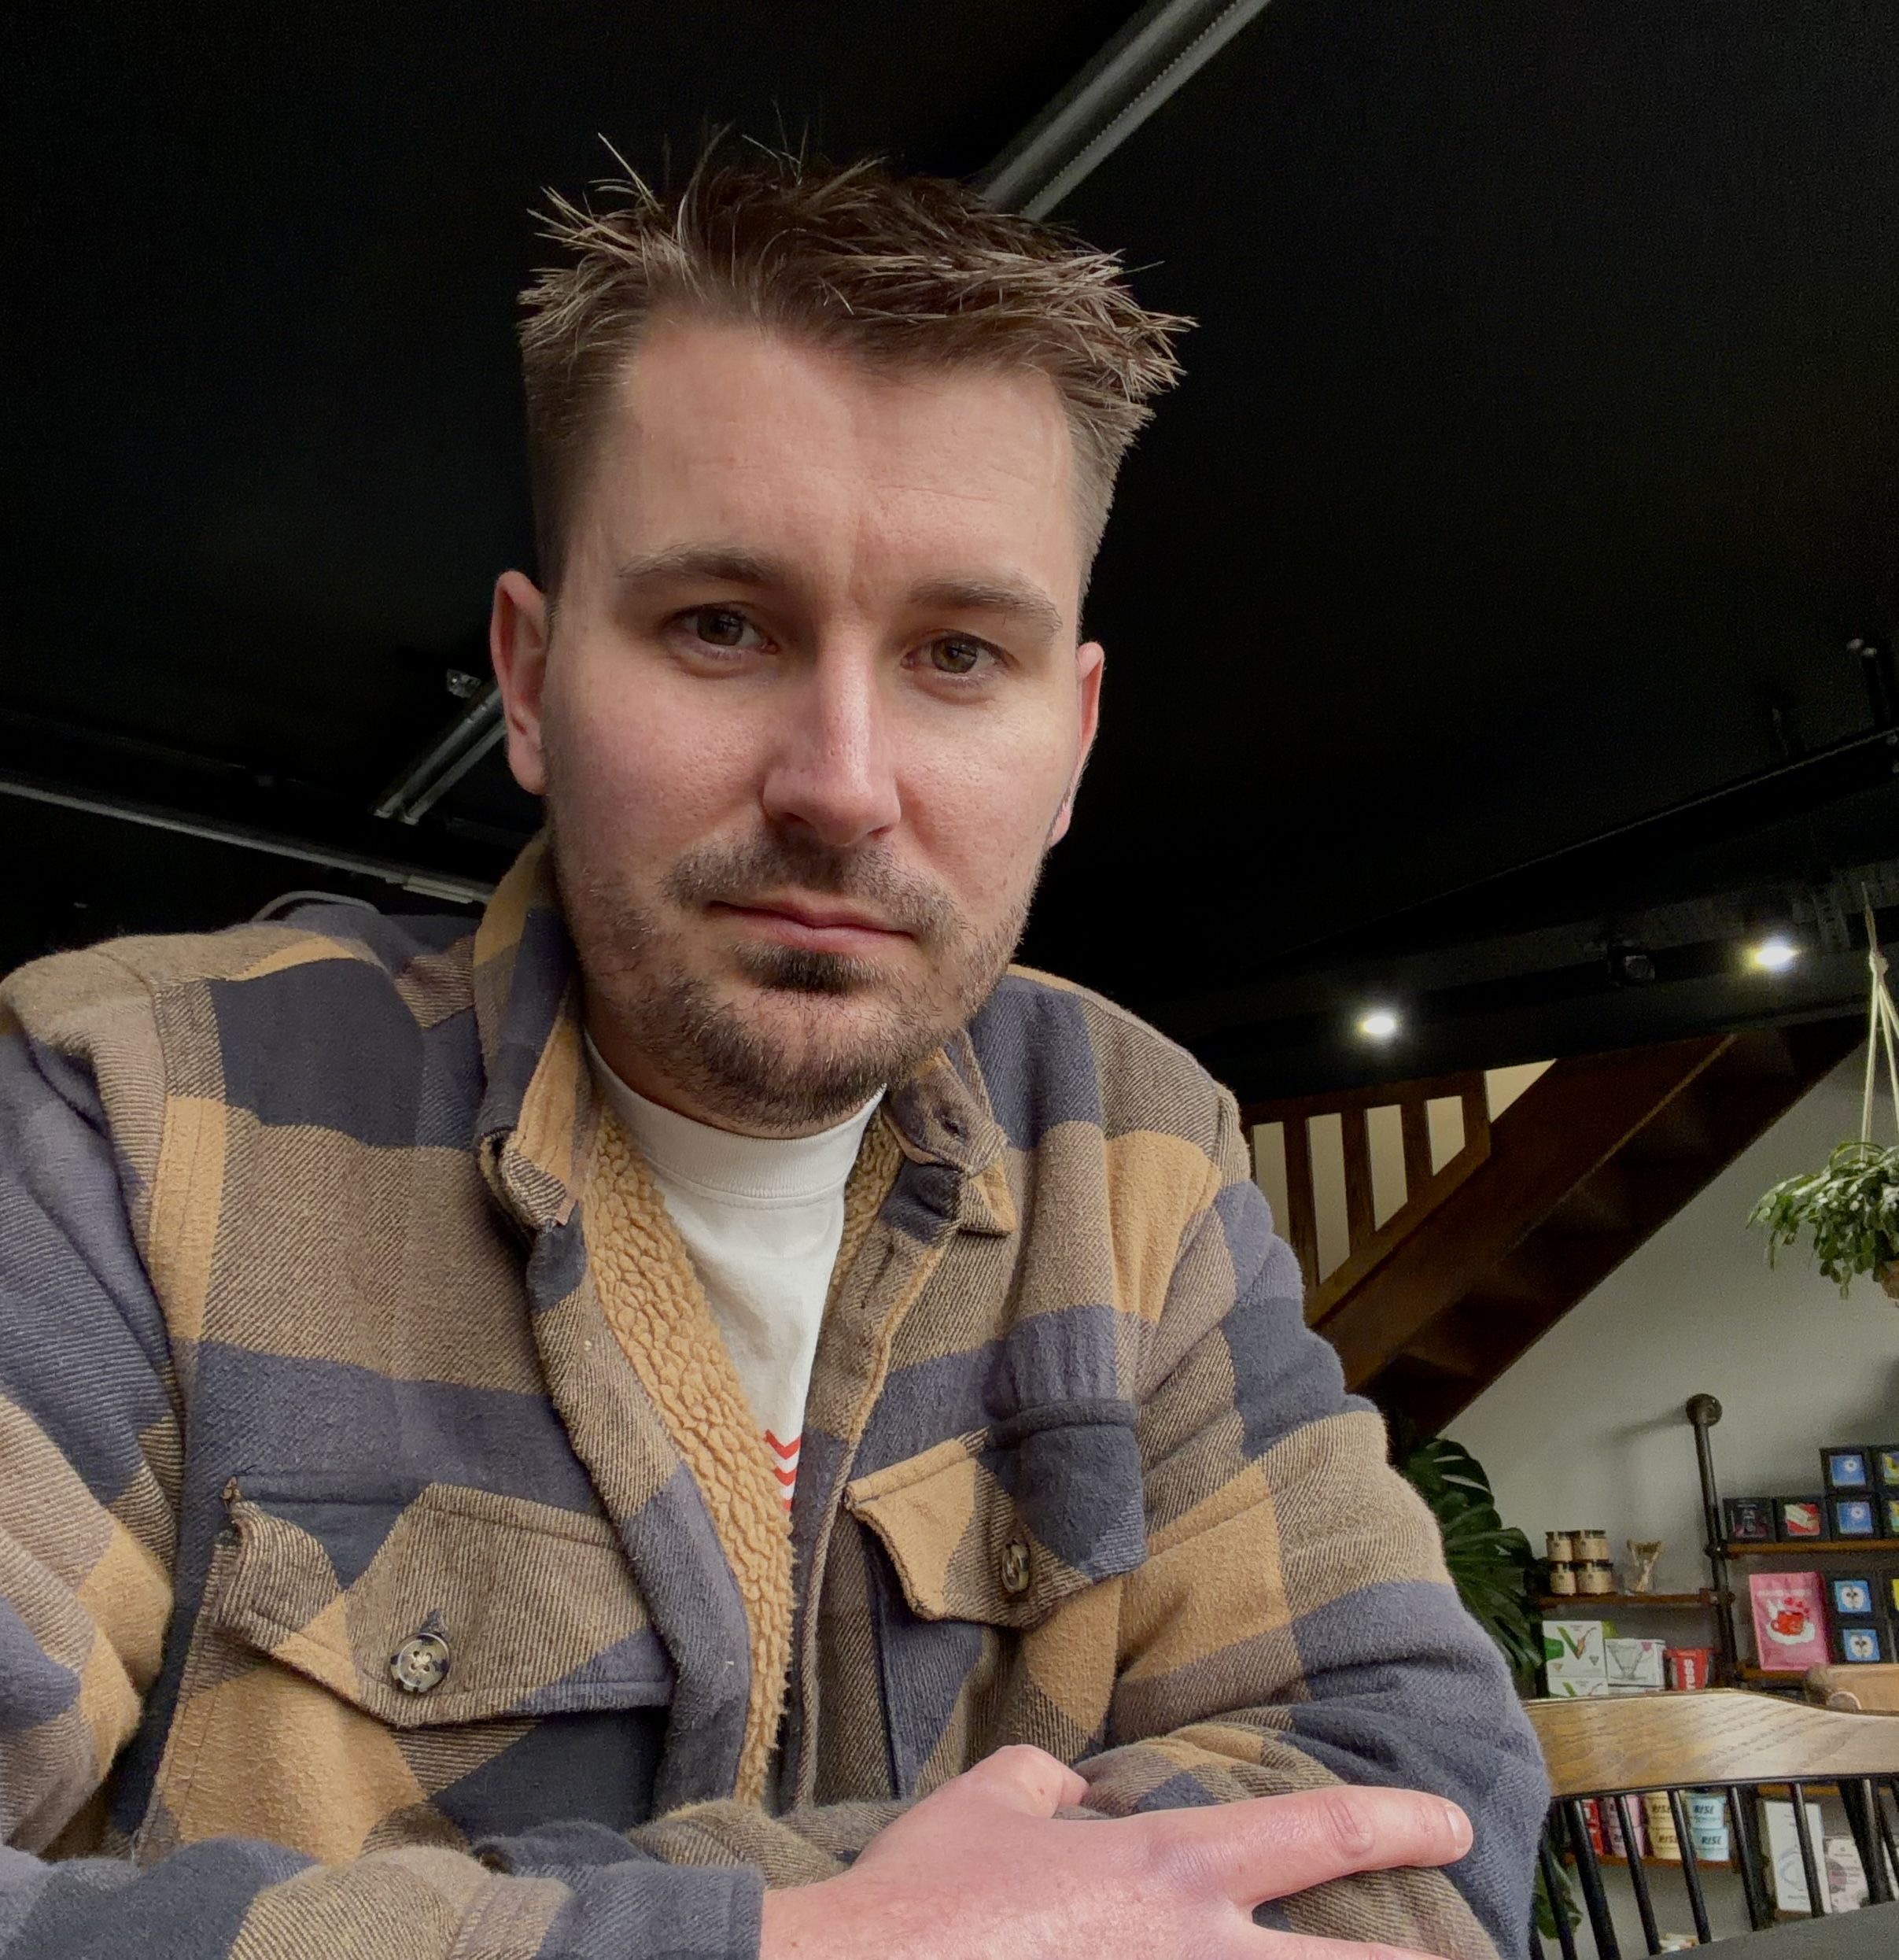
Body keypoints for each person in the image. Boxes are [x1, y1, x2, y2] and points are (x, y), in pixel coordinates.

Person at [0, 151, 1547, 1958]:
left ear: (1074, 736)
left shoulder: (1129, 1147)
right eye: (720, 625)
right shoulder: (138, 1119)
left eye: (959, 653)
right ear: (527, 673)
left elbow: (1412, 1798)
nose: (839, 781)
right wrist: (810, 1943)